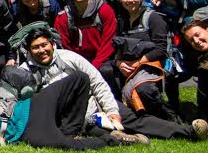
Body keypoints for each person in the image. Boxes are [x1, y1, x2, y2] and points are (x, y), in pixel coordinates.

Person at [100, 0, 208, 140]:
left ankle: (166, 115)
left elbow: (161, 49)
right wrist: (118, 63)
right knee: (105, 70)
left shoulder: (154, 18)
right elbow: (116, 47)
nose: (130, 0)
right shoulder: (120, 20)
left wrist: (137, 64)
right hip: (125, 65)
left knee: (144, 90)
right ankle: (118, 111)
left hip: (151, 66)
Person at [19, 26, 148, 144]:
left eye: (44, 45)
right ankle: (120, 139)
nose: (41, 50)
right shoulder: (25, 72)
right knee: (93, 129)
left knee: (133, 120)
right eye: (36, 47)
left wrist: (112, 111)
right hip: (63, 119)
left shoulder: (70, 58)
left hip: (92, 108)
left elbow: (98, 83)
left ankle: (164, 131)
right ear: (29, 51)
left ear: (52, 44)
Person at [54, 0, 117, 70]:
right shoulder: (63, 18)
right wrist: (79, 67)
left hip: (101, 62)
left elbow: (109, 42)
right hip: (75, 64)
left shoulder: (105, 10)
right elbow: (64, 47)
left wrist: (94, 67)